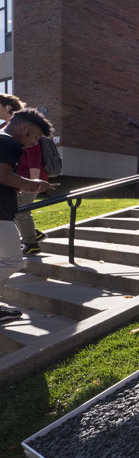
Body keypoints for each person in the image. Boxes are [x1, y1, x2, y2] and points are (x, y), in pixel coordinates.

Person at [0, 109, 57, 322]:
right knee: (13, 261)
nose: (34, 143)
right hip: (0, 214)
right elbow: (3, 175)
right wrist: (35, 185)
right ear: (25, 128)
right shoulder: (9, 143)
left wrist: (21, 186)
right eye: (36, 137)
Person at [15, 141, 48, 254]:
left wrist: (33, 184)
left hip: (27, 180)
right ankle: (33, 234)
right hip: (17, 180)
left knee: (21, 212)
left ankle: (32, 245)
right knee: (12, 210)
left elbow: (34, 158)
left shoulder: (29, 135)